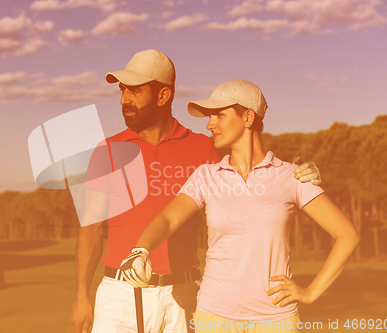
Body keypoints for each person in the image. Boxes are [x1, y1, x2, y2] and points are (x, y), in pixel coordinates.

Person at [70, 51, 322, 333]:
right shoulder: (107, 151)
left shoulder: (205, 149)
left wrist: (298, 171)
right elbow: (90, 229)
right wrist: (81, 295)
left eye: (135, 91)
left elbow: (254, 177)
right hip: (119, 296)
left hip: (185, 293)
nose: (123, 100)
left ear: (163, 96)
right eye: (122, 91)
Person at [119, 79, 361, 332]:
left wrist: (311, 292)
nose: (210, 124)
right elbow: (168, 219)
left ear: (247, 117)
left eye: (219, 115)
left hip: (276, 320)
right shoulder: (206, 175)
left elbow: (347, 235)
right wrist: (141, 249)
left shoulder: (291, 176)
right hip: (213, 318)